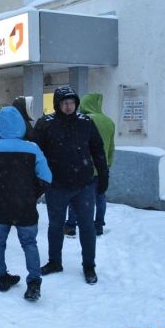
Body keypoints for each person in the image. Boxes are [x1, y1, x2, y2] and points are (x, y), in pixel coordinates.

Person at [34, 86, 109, 285]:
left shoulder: (86, 122)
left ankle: (89, 265)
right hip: (56, 185)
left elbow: (98, 149)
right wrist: (38, 179)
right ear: (57, 104)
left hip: (84, 184)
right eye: (64, 103)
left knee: (87, 226)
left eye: (72, 102)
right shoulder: (46, 124)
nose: (69, 106)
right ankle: (55, 262)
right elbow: (36, 154)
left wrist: (103, 174)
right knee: (55, 226)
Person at [0, 106, 52, 301]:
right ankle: (34, 282)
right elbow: (46, 177)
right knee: (29, 243)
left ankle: (1, 277)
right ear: (21, 124)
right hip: (25, 206)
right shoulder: (32, 148)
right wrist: (31, 193)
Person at [64, 92, 116, 236]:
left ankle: (71, 225)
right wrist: (107, 164)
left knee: (75, 197)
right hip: (101, 166)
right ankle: (98, 225)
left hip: (83, 167)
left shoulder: (83, 120)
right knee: (100, 196)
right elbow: (111, 147)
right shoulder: (109, 121)